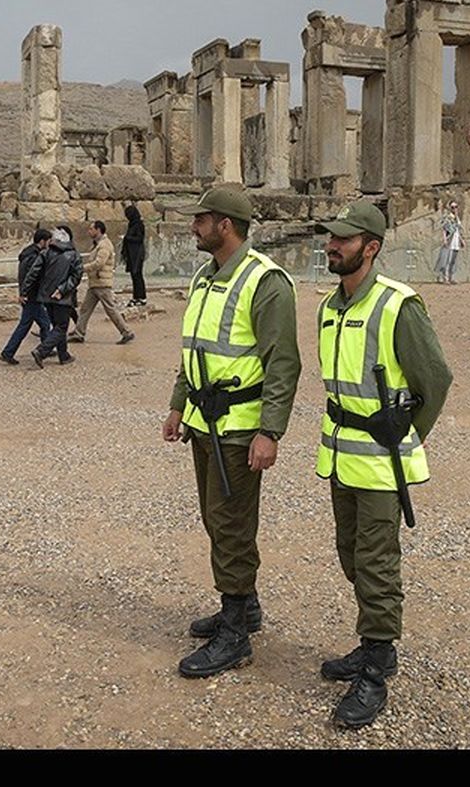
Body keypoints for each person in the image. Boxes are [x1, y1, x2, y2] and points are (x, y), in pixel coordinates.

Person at [314, 201, 453, 728]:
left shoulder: (399, 305)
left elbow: (435, 380)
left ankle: (375, 666)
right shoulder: (331, 305)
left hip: (380, 460)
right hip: (341, 455)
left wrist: (409, 433)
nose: (333, 245)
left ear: (370, 248)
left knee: (376, 563)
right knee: (350, 554)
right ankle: (374, 643)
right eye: (332, 238)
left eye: (344, 240)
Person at [161, 186, 301, 678]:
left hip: (240, 431)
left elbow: (283, 363)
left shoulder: (266, 282)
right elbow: (194, 350)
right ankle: (244, 606)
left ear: (225, 225)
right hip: (205, 423)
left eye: (201, 220)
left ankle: (236, 634)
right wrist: (178, 406)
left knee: (231, 525)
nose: (193, 227)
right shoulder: (206, 276)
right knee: (216, 519)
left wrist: (271, 432)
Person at [25, 228, 84, 368]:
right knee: (61, 327)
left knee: (57, 326)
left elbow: (33, 273)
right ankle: (41, 351)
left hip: (46, 296)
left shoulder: (45, 253)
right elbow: (76, 277)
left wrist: (24, 291)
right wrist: (61, 290)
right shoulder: (74, 255)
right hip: (62, 297)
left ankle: (63, 355)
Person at [70, 221, 135, 346]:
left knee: (111, 310)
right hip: (95, 283)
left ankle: (126, 332)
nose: (89, 231)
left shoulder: (104, 245)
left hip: (102, 283)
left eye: (91, 229)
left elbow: (99, 263)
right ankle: (79, 333)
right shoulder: (97, 245)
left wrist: (82, 268)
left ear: (98, 230)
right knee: (85, 309)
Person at [0, 229, 53, 365]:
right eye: (48, 241)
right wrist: (25, 293)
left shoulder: (28, 254)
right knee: (24, 326)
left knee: (45, 323)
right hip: (32, 297)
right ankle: (8, 352)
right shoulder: (34, 257)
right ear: (43, 241)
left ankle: (45, 348)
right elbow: (32, 277)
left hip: (30, 295)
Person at [122, 204, 148, 306]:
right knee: (134, 275)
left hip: (137, 253)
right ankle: (136, 297)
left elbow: (139, 239)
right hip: (132, 253)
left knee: (138, 275)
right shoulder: (132, 224)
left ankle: (142, 297)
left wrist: (127, 238)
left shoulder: (139, 225)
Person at [434, 202, 464, 285]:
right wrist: (444, 239)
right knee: (447, 260)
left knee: (453, 260)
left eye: (456, 207)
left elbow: (458, 230)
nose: (454, 209)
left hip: (456, 240)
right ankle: (445, 278)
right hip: (450, 239)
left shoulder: (457, 218)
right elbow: (444, 229)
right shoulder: (447, 218)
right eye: (452, 207)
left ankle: (452, 277)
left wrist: (461, 240)